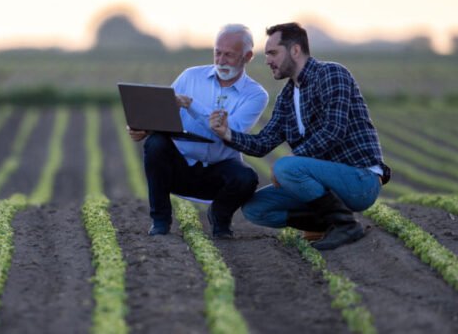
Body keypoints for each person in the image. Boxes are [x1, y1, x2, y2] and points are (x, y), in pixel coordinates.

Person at [209, 22, 391, 250]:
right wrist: (227, 133)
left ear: (295, 50)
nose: (267, 60)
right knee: (256, 208)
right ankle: (324, 225)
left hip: (358, 179)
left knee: (287, 167)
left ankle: (345, 225)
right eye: (266, 54)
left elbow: (333, 131)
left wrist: (290, 163)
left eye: (273, 53)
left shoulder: (332, 74)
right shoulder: (287, 97)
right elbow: (263, 143)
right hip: (320, 183)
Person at [129, 24, 269, 238]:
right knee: (155, 143)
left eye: (229, 55)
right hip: (180, 167)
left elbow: (232, 131)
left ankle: (220, 218)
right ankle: (160, 221)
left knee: (246, 177)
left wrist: (192, 105)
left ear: (247, 56)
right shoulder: (190, 77)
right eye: (217, 53)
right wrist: (142, 127)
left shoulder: (256, 95)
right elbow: (163, 112)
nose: (221, 61)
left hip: (217, 171)